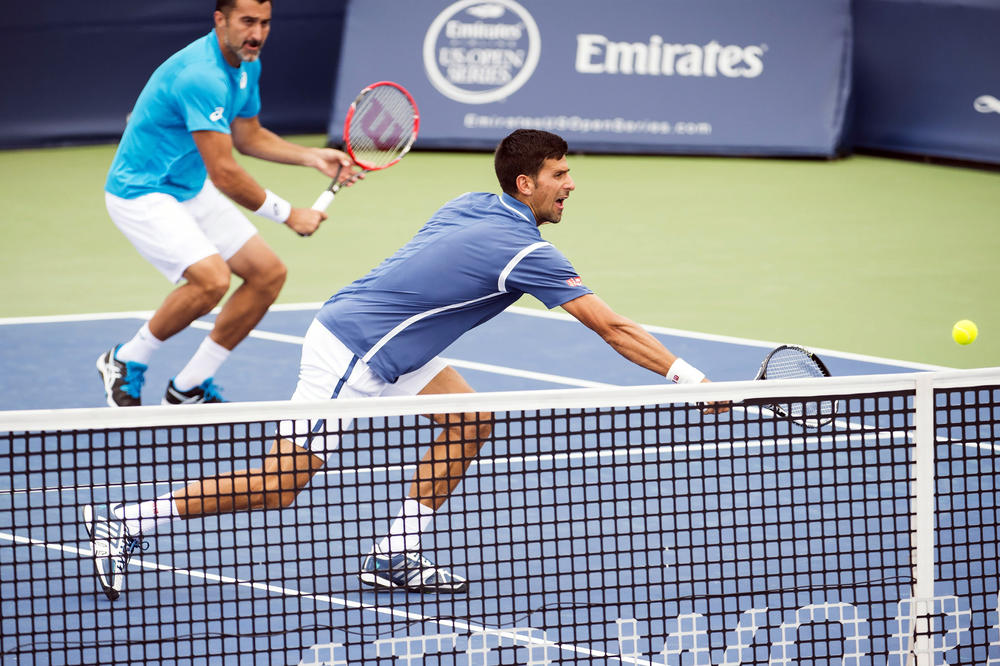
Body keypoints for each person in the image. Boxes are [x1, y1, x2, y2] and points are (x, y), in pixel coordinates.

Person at [82, 129, 718, 601]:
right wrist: (688, 380)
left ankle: (394, 552)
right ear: (526, 184)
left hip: (387, 342)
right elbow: (612, 327)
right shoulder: (527, 252)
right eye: (559, 175)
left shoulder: (473, 203)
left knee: (470, 418)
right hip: (353, 351)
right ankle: (124, 522)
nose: (570, 184)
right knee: (281, 485)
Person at [96, 0, 357, 407]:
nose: (256, 34)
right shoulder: (200, 76)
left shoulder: (246, 62)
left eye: (265, 23)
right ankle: (126, 360)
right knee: (211, 280)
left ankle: (189, 386)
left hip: (188, 185)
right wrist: (290, 215)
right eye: (247, 22)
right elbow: (225, 173)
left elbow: (248, 136)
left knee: (267, 275)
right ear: (221, 20)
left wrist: (312, 156)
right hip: (142, 192)